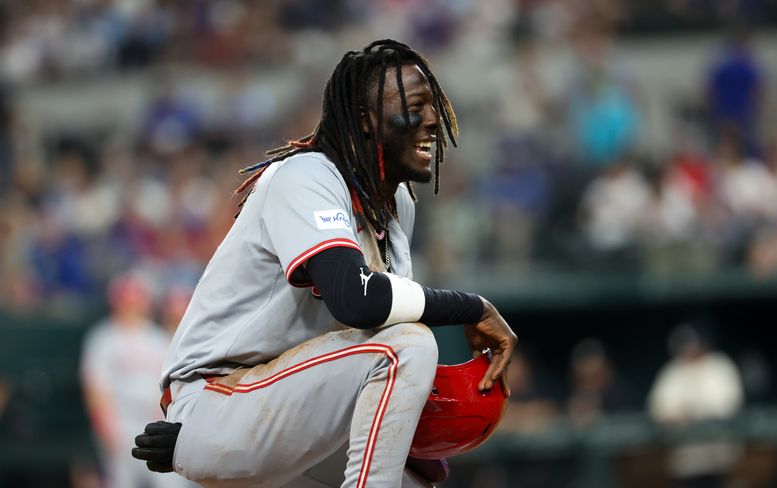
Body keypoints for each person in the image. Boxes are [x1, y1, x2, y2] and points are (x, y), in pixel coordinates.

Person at [132, 39, 517, 488]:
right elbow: (359, 301)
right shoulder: (307, 175)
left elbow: (367, 330)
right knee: (407, 345)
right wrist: (472, 307)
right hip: (220, 399)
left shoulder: (396, 205)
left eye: (434, 104)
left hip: (294, 405)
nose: (433, 120)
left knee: (415, 479)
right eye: (416, 106)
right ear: (365, 121)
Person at [81, 272, 192, 488]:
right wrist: (106, 427)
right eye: (127, 299)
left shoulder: (157, 337)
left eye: (136, 299)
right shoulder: (103, 337)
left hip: (154, 420)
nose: (131, 305)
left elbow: (170, 386)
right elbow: (95, 388)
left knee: (171, 483)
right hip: (120, 421)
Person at [648, 324, 744, 488]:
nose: (689, 350)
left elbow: (729, 404)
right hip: (684, 459)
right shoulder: (673, 370)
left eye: (692, 344)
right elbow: (657, 408)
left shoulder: (719, 365)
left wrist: (693, 411)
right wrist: (675, 415)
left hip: (718, 456)